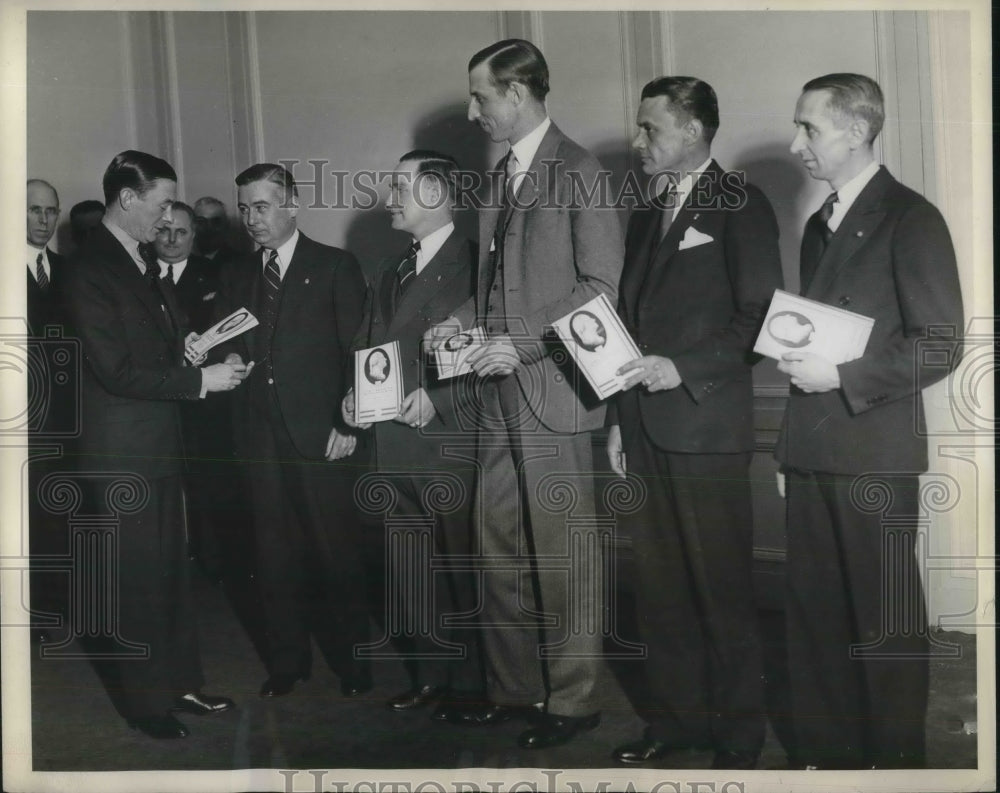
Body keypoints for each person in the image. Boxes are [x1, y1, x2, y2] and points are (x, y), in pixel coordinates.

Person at [426, 39, 624, 749]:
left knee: (563, 551)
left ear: (517, 92)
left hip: (555, 391)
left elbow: (601, 288)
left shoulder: (581, 170)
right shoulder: (498, 177)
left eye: (481, 96)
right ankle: (515, 689)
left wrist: (528, 340)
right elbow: (492, 292)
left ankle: (571, 699)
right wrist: (456, 324)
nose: (474, 110)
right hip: (497, 390)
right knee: (496, 543)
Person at [776, 73, 963, 769]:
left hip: (875, 454)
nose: (798, 144)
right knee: (816, 616)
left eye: (810, 129)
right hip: (815, 449)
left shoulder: (912, 218)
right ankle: (827, 757)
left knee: (885, 624)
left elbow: (940, 341)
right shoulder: (819, 226)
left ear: (856, 132)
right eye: (797, 128)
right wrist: (789, 453)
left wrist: (844, 377)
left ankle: (894, 766)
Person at [605, 76, 784, 770]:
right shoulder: (647, 213)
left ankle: (738, 738)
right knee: (659, 590)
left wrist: (684, 368)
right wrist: (621, 422)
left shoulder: (739, 201)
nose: (637, 140)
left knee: (721, 590)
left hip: (707, 429)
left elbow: (760, 319)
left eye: (650, 128)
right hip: (645, 430)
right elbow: (628, 324)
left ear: (692, 131)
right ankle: (676, 726)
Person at [62, 150, 245, 739]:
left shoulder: (135, 261)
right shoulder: (88, 268)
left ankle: (180, 683)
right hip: (120, 452)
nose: (168, 217)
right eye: (162, 202)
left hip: (156, 444)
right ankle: (145, 704)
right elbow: (114, 370)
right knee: (136, 580)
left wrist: (191, 350)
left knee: (169, 572)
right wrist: (199, 380)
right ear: (127, 199)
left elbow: (151, 348)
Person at [212, 163, 371, 699]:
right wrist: (225, 354)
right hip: (257, 436)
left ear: (292, 204)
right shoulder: (235, 274)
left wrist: (350, 424)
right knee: (271, 555)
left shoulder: (334, 266)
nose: (251, 219)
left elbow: (358, 353)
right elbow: (226, 344)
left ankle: (353, 662)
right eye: (244, 209)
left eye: (261, 206)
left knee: (336, 552)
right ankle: (287, 663)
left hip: (323, 434)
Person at [343, 149, 482, 720]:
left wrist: (440, 399)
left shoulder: (481, 265)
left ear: (437, 193)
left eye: (401, 185)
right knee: (410, 571)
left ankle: (475, 685)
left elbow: (497, 358)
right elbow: (368, 345)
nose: (390, 197)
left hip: (448, 444)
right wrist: (353, 396)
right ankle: (430, 675)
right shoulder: (389, 267)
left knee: (462, 569)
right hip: (394, 446)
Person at [154, 201, 235, 580]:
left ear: (194, 235)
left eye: (181, 232)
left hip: (206, 402)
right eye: (164, 230)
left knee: (209, 485)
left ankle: (212, 567)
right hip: (154, 398)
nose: (171, 239)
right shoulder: (138, 275)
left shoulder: (216, 275)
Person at [25, 179, 70, 643]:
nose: (43, 220)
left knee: (57, 517)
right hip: (18, 423)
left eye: (50, 211)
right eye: (34, 210)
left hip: (65, 421)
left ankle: (54, 609)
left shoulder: (66, 270)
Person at [193, 196, 240, 267]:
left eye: (215, 222)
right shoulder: (183, 261)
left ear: (226, 226)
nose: (208, 228)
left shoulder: (239, 263)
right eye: (201, 222)